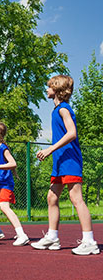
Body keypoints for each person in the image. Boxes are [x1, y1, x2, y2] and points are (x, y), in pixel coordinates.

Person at [31, 75, 100, 255]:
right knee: (52, 198)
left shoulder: (63, 109)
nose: (46, 89)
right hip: (60, 162)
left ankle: (89, 241)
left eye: (49, 87)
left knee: (76, 199)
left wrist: (49, 150)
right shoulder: (56, 110)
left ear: (57, 90)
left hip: (70, 160)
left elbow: (72, 133)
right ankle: (53, 238)